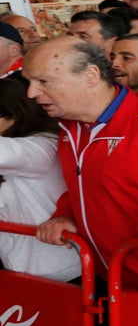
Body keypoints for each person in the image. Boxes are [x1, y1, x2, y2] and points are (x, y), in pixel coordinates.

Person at [27, 37, 138, 291]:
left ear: (90, 75)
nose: (31, 93)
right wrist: (65, 214)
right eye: (30, 81)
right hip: (104, 276)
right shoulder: (70, 128)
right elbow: (84, 182)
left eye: (44, 81)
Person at [0, 79, 81, 281]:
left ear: (12, 116)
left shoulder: (43, 146)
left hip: (61, 270)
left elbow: (6, 154)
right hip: (17, 268)